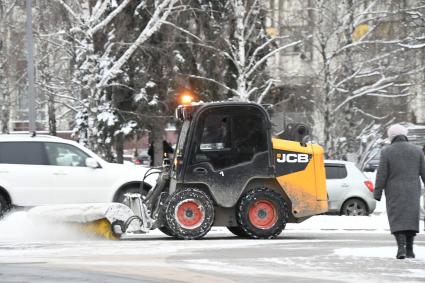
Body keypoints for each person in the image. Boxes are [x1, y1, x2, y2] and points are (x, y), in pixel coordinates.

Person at [374, 124, 425, 259]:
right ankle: (410, 249)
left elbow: (382, 174)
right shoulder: (417, 151)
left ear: (392, 136)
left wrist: (377, 191)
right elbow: (424, 172)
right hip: (413, 191)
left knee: (397, 218)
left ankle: (401, 248)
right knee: (411, 219)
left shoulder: (387, 151)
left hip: (394, 191)